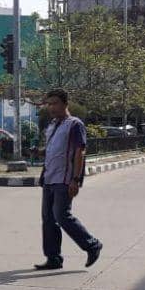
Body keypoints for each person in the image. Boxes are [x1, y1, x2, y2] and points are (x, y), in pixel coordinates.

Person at [35, 89, 103, 271]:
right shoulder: (52, 125)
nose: (51, 107)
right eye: (48, 104)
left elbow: (80, 151)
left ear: (65, 104)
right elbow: (53, 149)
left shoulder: (74, 124)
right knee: (48, 219)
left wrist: (75, 179)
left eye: (55, 103)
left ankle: (92, 245)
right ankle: (53, 258)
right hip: (49, 177)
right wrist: (39, 152)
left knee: (62, 215)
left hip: (65, 179)